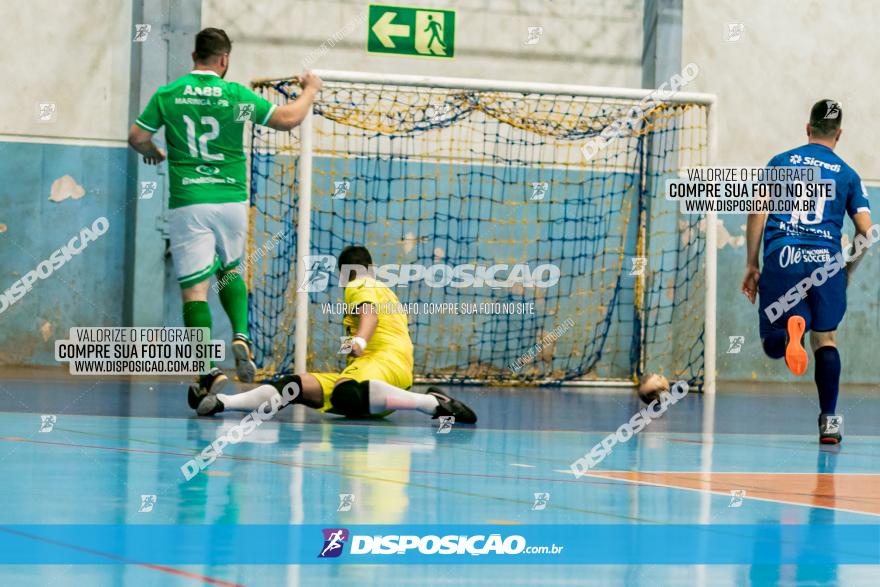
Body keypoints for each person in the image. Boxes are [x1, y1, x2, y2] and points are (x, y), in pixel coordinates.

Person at [127, 27, 322, 397]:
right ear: (224, 60)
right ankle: (241, 335)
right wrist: (310, 90)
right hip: (231, 199)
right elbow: (286, 118)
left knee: (195, 291)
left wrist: (154, 151)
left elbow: (137, 136)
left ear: (193, 57)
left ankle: (206, 371)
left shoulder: (169, 95)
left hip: (189, 202)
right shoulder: (236, 97)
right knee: (232, 268)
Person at [190, 245, 478, 424]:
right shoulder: (387, 292)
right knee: (295, 386)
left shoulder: (360, 285)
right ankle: (221, 403)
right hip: (382, 374)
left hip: (384, 365)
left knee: (344, 392)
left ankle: (431, 403)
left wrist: (360, 340)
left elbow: (369, 315)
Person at [741, 99, 872, 444]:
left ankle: (787, 333)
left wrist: (752, 264)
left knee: (772, 343)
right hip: (825, 261)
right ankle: (829, 421)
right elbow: (865, 231)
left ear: (808, 127)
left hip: (783, 255)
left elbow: (757, 211)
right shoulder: (847, 174)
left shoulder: (781, 162)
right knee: (826, 339)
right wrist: (846, 269)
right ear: (839, 134)